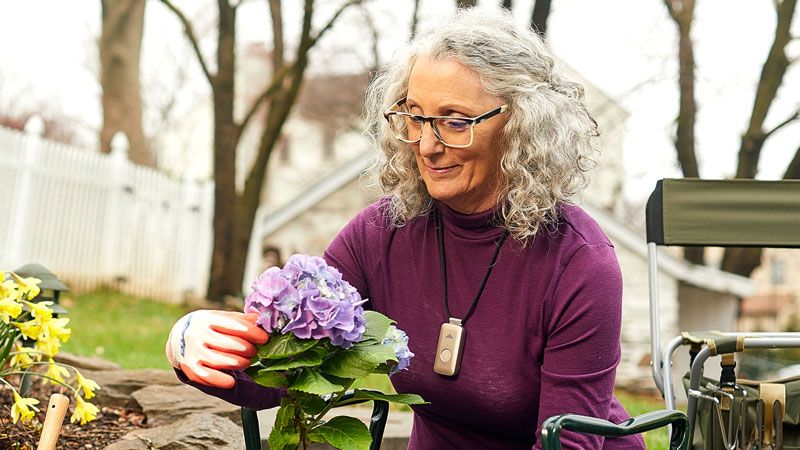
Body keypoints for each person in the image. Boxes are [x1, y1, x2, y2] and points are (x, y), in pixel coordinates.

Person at [165, 7, 644, 449]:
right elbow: (284, 374)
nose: (426, 146)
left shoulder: (578, 261)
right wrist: (195, 344)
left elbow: (570, 443)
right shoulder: (382, 233)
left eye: (455, 122)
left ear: (524, 125)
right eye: (414, 117)